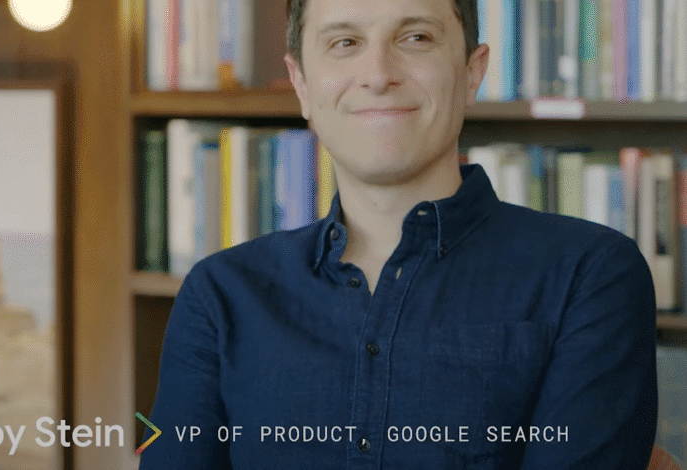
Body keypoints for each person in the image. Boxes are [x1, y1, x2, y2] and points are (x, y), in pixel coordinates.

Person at [138, 0, 658, 467]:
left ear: (472, 71)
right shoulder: (220, 294)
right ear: (301, 84)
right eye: (345, 43)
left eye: (415, 38)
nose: (378, 74)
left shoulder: (590, 275)